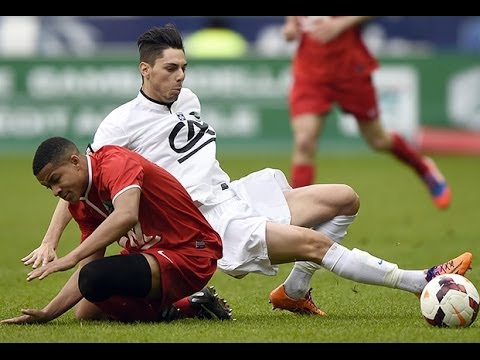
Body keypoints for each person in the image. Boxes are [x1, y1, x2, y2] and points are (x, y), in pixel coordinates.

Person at [21, 24, 470, 318]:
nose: (180, 76)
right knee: (314, 243)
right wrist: (48, 241)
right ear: (145, 70)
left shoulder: (188, 99)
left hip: (232, 195)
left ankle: (294, 293)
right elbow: (82, 183)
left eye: (184, 67)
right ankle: (421, 281)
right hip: (203, 218)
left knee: (345, 199)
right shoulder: (119, 123)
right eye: (170, 69)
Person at [2, 137, 233, 324]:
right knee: (85, 311)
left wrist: (70, 257)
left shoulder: (114, 162)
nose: (55, 191)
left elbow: (126, 214)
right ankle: (192, 305)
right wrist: (47, 314)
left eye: (56, 179)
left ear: (75, 162)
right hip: (153, 255)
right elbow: (89, 264)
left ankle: (171, 306)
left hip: (190, 252)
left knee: (94, 278)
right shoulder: (81, 204)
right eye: (48, 187)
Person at [283, 16, 451, 210]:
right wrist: (290, 24)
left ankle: (424, 168)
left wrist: (340, 24)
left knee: (378, 140)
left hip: (350, 70)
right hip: (310, 71)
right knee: (304, 141)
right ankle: (297, 215)